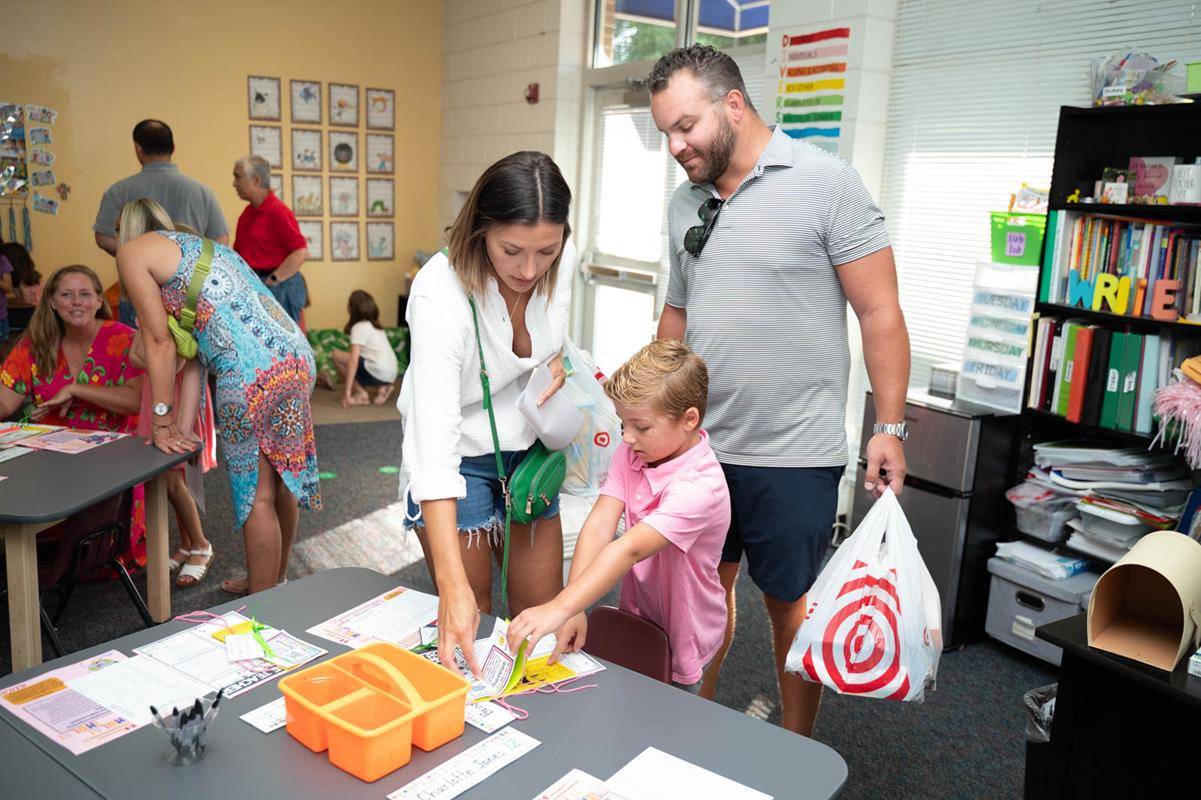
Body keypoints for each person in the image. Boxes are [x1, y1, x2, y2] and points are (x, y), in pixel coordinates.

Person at [649, 45, 911, 736]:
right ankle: (684, 728)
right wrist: (650, 404)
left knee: (786, 602)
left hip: (792, 449)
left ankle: (796, 748)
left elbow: (879, 310)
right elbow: (678, 310)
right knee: (703, 593)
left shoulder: (827, 182)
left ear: (733, 104)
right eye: (665, 133)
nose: (675, 146)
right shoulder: (685, 201)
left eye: (684, 127)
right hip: (699, 443)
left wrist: (888, 425)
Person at [398, 151, 575, 677]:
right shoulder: (438, 294)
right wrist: (449, 589)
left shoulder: (554, 258)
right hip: (456, 458)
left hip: (528, 453)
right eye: (511, 250)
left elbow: (552, 335)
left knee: (537, 632)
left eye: (546, 251)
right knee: (470, 622)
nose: (528, 269)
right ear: (480, 231)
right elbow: (433, 443)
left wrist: (556, 359)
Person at [508, 340, 730, 693]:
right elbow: (599, 524)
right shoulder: (633, 454)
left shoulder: (701, 486)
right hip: (639, 610)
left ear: (689, 419)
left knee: (673, 715)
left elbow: (627, 549)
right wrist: (574, 607)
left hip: (687, 625)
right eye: (623, 423)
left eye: (641, 427)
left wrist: (558, 606)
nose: (626, 437)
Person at [117, 228, 322, 596]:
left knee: (256, 496)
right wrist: (181, 428)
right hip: (294, 355)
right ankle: (274, 581)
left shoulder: (132, 253)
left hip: (250, 372)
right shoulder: (203, 254)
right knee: (281, 481)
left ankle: (264, 611)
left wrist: (161, 421)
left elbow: (159, 342)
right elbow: (198, 355)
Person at [0, 265, 148, 570]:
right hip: (46, 464)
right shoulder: (36, 343)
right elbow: (5, 402)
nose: (76, 302)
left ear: (98, 301)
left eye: (85, 294)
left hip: (112, 464)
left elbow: (134, 400)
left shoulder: (122, 338)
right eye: (66, 295)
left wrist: (77, 389)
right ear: (52, 302)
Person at [117, 199, 219, 588]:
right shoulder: (148, 282)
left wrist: (150, 350)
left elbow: (173, 356)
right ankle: (187, 541)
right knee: (164, 478)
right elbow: (140, 352)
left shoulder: (169, 288)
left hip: (174, 393)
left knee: (176, 478)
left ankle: (202, 544)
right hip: (156, 391)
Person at [93, 120, 228, 257]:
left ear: (138, 148)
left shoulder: (118, 191)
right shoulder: (202, 192)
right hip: (190, 275)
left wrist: (137, 258)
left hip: (136, 275)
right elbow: (220, 239)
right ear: (174, 147)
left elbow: (104, 238)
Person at [232, 155, 309, 323]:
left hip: (279, 286)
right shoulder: (247, 215)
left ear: (256, 180)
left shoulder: (278, 211)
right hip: (258, 285)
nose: (234, 184)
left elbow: (301, 252)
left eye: (238, 177)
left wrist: (273, 280)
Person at [331, 289, 399, 407]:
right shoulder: (376, 326)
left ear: (352, 308)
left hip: (378, 371)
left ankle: (361, 393)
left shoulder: (359, 327)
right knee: (365, 361)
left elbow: (353, 360)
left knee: (336, 355)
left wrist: (347, 393)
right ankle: (383, 388)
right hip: (391, 373)